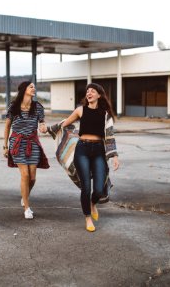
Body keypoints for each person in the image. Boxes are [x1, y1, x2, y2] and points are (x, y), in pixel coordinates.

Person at [60, 83, 120, 232]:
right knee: (86, 187)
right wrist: (50, 129)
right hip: (82, 150)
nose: (89, 93)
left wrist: (114, 156)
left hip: (99, 150)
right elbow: (64, 124)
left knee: (99, 189)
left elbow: (110, 137)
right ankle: (87, 217)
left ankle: (93, 204)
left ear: (99, 95)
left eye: (93, 91)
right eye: (88, 91)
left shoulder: (105, 114)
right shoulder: (80, 110)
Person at [3, 81, 49, 219]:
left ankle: (25, 195)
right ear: (23, 89)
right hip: (17, 143)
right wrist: (5, 146)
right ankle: (27, 208)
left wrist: (43, 127)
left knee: (33, 177)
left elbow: (42, 123)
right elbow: (7, 127)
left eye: (34, 87)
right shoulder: (13, 106)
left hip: (32, 142)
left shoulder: (38, 107)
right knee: (25, 175)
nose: (33, 88)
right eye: (31, 87)